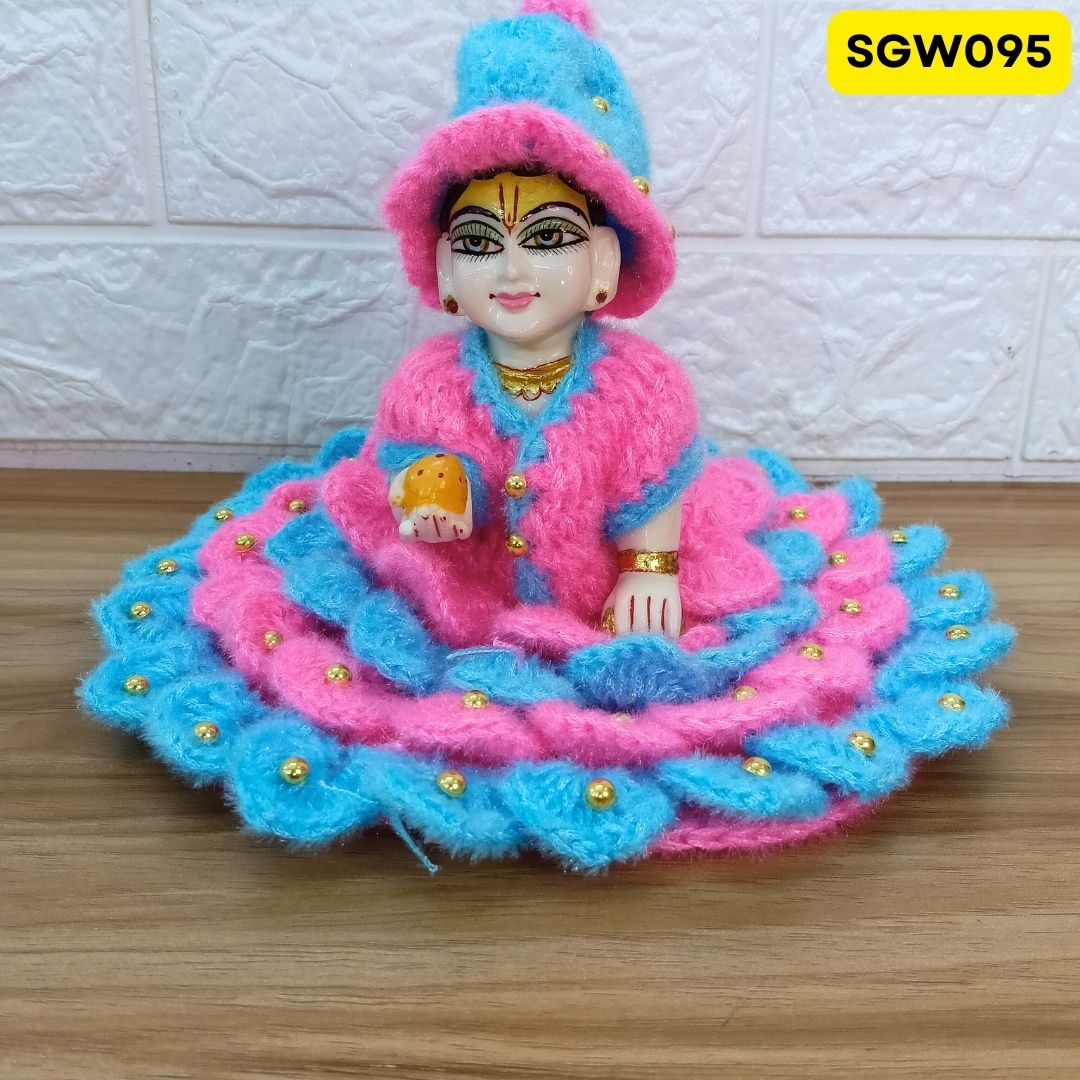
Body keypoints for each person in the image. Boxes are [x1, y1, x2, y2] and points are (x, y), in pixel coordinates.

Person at [81, 0, 1014, 872]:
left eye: (549, 237)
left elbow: (653, 490)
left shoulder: (645, 387)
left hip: (602, 593)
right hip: (464, 591)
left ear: (605, 264)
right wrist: (428, 488)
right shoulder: (429, 380)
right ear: (444, 273)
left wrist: (651, 571)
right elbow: (410, 457)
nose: (512, 267)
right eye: (478, 242)